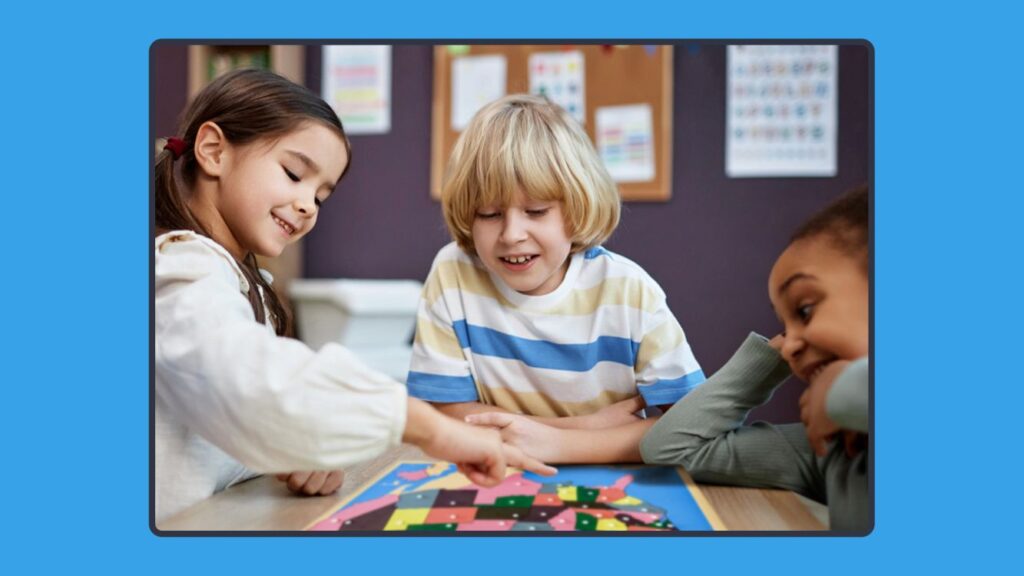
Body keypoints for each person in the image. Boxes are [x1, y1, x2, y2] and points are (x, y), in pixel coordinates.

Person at [154, 70, 553, 524]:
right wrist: (428, 428)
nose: (307, 205)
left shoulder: (234, 277)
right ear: (213, 150)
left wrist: (297, 447)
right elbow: (239, 373)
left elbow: (223, 421)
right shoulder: (176, 269)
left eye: (322, 197)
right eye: (293, 174)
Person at [406, 94, 705, 463]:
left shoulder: (629, 291)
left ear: (577, 206)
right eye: (488, 214)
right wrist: (587, 427)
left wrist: (562, 445)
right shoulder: (453, 273)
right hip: (499, 478)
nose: (511, 234)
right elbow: (444, 415)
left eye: (536, 210)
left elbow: (696, 425)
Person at [639, 186, 870, 532]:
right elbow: (668, 447)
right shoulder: (828, 451)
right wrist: (771, 356)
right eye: (782, 324)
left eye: (805, 310)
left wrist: (842, 387)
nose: (790, 342)